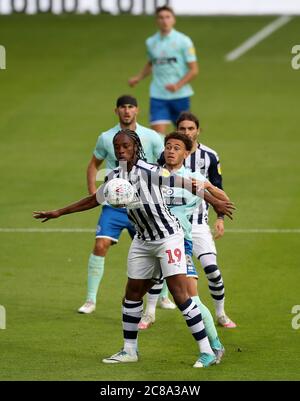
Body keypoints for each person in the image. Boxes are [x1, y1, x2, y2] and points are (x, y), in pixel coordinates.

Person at [33, 129, 235, 368]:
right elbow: (93, 200)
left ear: (135, 147)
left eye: (125, 146)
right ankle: (129, 351)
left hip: (168, 237)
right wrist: (59, 212)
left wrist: (215, 201)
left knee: (181, 295)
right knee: (131, 296)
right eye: (117, 146)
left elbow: (187, 184)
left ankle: (206, 351)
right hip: (142, 240)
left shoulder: (151, 171)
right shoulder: (115, 177)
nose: (120, 150)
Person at [78, 94, 175, 314]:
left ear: (137, 110)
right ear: (117, 111)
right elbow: (94, 164)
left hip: (142, 205)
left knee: (157, 249)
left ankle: (164, 296)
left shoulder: (151, 136)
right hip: (114, 205)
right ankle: (90, 299)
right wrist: (94, 192)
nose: (127, 111)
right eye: (123, 107)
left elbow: (164, 164)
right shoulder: (106, 137)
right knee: (100, 244)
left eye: (131, 107)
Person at [138, 132, 226, 362]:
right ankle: (130, 346)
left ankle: (214, 345)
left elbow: (223, 198)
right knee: (132, 294)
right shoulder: (153, 174)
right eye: (168, 146)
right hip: (151, 241)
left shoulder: (193, 177)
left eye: (177, 148)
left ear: (186, 153)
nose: (170, 151)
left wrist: (209, 187)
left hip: (178, 242)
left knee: (190, 298)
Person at [177, 112, 236, 328]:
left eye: (190, 129)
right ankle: (150, 313)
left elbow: (218, 188)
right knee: (160, 273)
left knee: (212, 270)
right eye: (182, 129)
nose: (186, 133)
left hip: (199, 224)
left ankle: (220, 314)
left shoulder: (209, 156)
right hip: (173, 224)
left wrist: (220, 218)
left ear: (198, 131)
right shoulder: (168, 156)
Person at [128, 5, 198, 135]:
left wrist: (178, 85)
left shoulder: (184, 41)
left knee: (184, 137)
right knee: (158, 137)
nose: (164, 21)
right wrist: (138, 77)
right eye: (161, 18)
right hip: (158, 95)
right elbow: (151, 63)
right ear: (157, 21)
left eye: (167, 17)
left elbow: (194, 70)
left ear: (173, 20)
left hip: (180, 96)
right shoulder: (151, 42)